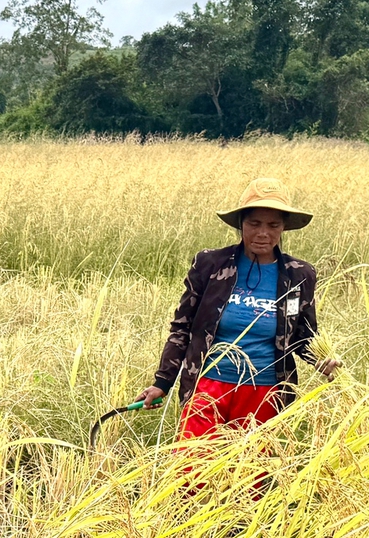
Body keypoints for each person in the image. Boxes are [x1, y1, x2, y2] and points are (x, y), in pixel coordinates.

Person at [134, 177, 339, 438]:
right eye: (254, 223)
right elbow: (182, 327)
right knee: (191, 471)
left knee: (248, 474)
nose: (263, 232)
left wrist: (321, 360)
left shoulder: (298, 275)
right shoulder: (211, 265)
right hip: (207, 386)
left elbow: (303, 336)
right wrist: (162, 382)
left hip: (266, 392)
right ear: (241, 224)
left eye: (273, 225)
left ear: (283, 228)